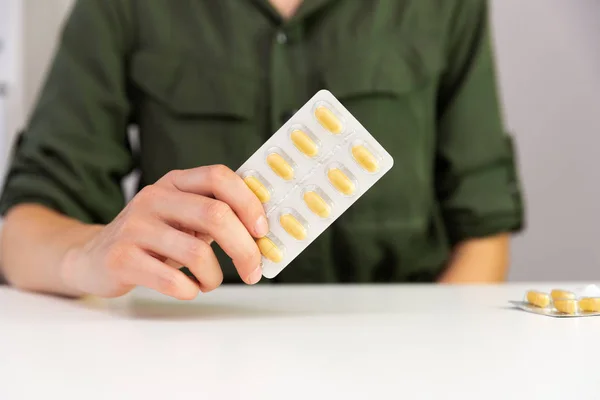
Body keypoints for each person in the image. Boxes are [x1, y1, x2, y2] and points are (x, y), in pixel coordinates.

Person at [0, 0, 524, 299]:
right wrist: (84, 256)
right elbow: (23, 228)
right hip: (191, 358)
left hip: (397, 362)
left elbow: (481, 233)